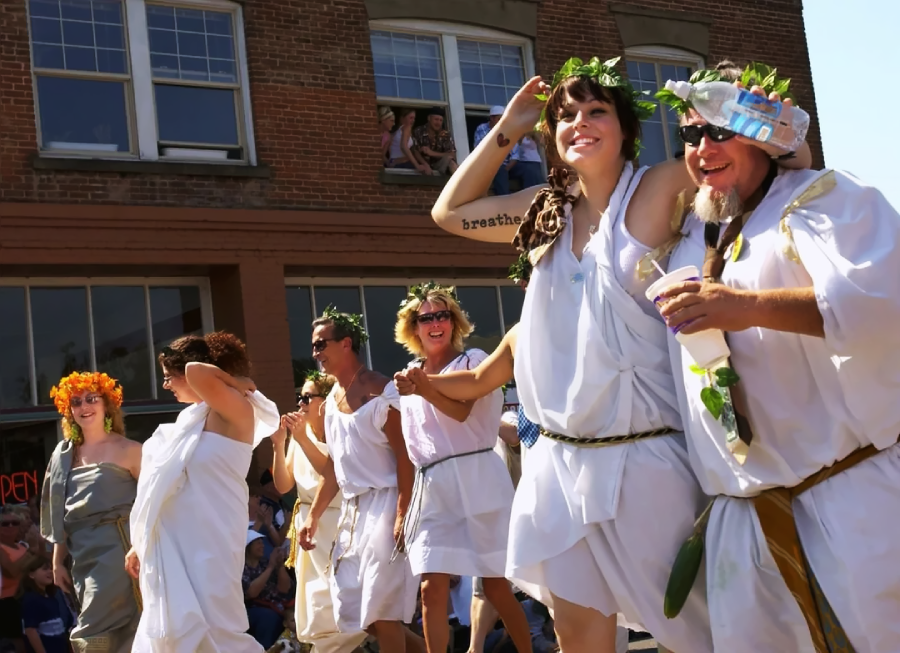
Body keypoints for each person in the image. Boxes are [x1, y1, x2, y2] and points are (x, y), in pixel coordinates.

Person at [425, 56, 811, 653]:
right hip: (556, 465)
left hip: (648, 462)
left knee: (708, 630)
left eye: (596, 111)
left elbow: (777, 174)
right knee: (575, 632)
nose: (579, 122)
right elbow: (449, 213)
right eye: (566, 116)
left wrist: (750, 115)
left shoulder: (659, 186)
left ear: (626, 129)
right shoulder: (543, 212)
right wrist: (508, 130)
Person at [656, 60, 900, 653]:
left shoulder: (823, 198)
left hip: (843, 508)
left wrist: (747, 306)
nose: (702, 148)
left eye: (719, 130)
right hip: (743, 530)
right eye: (691, 134)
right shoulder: (700, 235)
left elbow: (882, 305)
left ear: (761, 134)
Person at [391, 283, 531, 653]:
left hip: (478, 477)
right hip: (433, 486)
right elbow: (409, 446)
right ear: (414, 327)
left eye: (443, 315)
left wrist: (423, 389)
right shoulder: (408, 374)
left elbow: (462, 409)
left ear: (454, 323)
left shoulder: (473, 361)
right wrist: (404, 506)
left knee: (495, 587)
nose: (435, 323)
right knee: (430, 589)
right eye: (426, 318)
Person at [126, 332, 280, 653]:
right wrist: (139, 543)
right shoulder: (190, 420)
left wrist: (233, 381)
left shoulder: (234, 407)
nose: (167, 385)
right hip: (180, 541)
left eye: (170, 377)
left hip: (215, 534)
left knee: (218, 628)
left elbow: (198, 370)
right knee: (179, 632)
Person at [297, 308, 419, 652]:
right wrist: (313, 516)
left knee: (383, 611)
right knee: (361, 615)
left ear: (346, 343)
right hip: (353, 513)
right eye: (314, 346)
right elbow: (335, 467)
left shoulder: (381, 391)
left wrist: (401, 513)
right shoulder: (331, 403)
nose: (316, 352)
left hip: (386, 502)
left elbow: (404, 457)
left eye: (322, 344)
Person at [39, 371, 141, 653]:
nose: (84, 407)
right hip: (82, 555)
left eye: (91, 399)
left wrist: (142, 547)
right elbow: (59, 512)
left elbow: (154, 505)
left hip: (121, 551)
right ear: (68, 410)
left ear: (106, 404)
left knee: (103, 627)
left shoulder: (131, 450)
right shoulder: (63, 455)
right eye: (76, 401)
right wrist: (58, 562)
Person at [270, 371, 367, 653]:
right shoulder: (302, 435)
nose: (300, 404)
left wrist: (301, 439)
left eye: (307, 397)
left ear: (325, 402)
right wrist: (278, 444)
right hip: (308, 528)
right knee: (317, 605)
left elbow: (334, 475)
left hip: (337, 523)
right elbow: (283, 484)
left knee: (343, 603)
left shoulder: (340, 430)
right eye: (299, 398)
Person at [243, 531, 293, 649]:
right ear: (248, 547)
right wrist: (270, 567)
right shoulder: (242, 567)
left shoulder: (265, 562)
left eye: (262, 542)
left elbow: (284, 588)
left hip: (279, 605)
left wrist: (280, 565)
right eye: (257, 543)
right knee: (269, 618)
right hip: (254, 608)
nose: (262, 545)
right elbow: (251, 593)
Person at [17, 556, 74, 653]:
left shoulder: (51, 597)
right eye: (45, 569)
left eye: (51, 568)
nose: (50, 572)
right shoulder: (31, 599)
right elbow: (31, 630)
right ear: (31, 574)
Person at [1, 508, 34, 653]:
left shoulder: (22, 546)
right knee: (16, 640)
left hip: (27, 597)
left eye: (14, 523)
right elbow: (11, 571)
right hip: (7, 601)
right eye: (5, 523)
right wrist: (31, 553)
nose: (10, 526)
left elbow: (38, 563)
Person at [473, 106, 514, 195]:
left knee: (529, 169)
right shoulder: (482, 128)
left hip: (504, 164)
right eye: (499, 118)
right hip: (487, 162)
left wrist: (509, 165)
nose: (501, 121)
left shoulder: (508, 129)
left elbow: (514, 151)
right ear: (492, 118)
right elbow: (480, 148)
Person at [413, 107, 458, 175]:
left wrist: (431, 153)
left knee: (451, 162)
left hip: (439, 165)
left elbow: (452, 154)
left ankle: (461, 184)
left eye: (440, 120)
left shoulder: (445, 134)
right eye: (436, 119)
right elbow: (414, 151)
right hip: (421, 166)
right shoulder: (419, 131)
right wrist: (425, 164)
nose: (438, 123)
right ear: (429, 118)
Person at [388, 108, 432, 175]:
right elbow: (404, 146)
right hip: (401, 164)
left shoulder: (397, 132)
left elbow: (414, 151)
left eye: (414, 118)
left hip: (394, 163)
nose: (413, 120)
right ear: (403, 118)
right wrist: (417, 166)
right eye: (411, 118)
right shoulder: (406, 127)